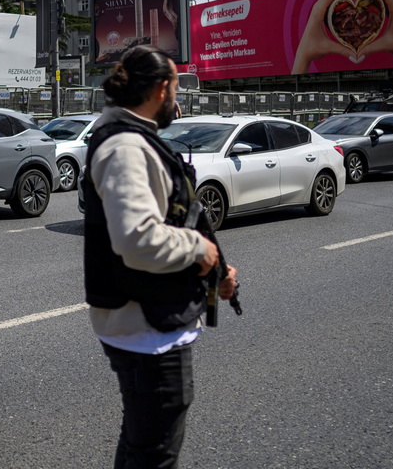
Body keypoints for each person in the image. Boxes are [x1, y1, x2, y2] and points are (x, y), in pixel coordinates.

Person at [83, 45, 238, 468]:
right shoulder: (126, 148)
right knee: (153, 453)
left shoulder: (136, 139)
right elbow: (137, 240)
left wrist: (214, 269)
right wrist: (200, 250)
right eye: (177, 89)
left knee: (140, 443)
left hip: (147, 322)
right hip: (147, 330)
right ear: (162, 88)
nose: (179, 100)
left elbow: (178, 216)